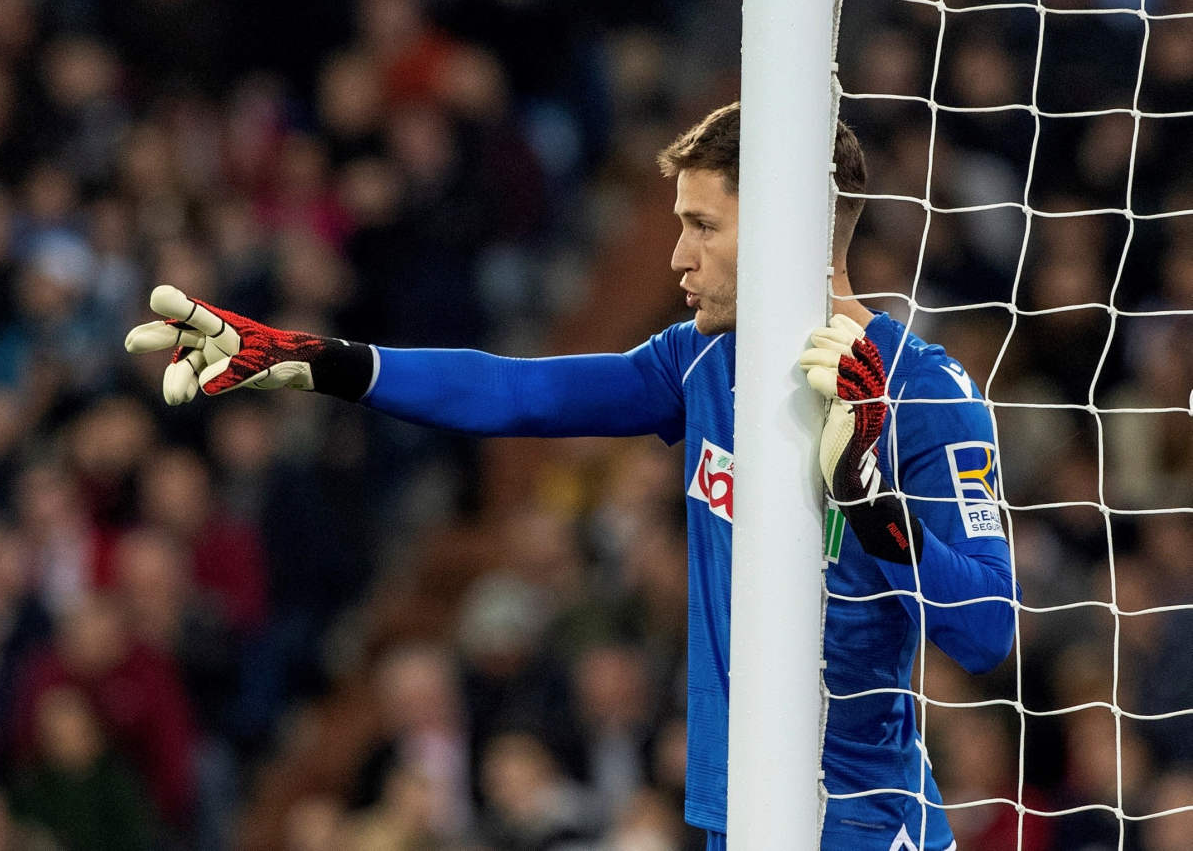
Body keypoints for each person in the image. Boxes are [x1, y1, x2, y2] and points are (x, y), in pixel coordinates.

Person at [125, 103, 1018, 850]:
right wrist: (318, 360)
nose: (677, 257)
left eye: (702, 226)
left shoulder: (923, 393)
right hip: (734, 817)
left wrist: (867, 497)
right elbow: (515, 392)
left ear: (791, 226)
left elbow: (985, 633)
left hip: (865, 824)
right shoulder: (700, 364)